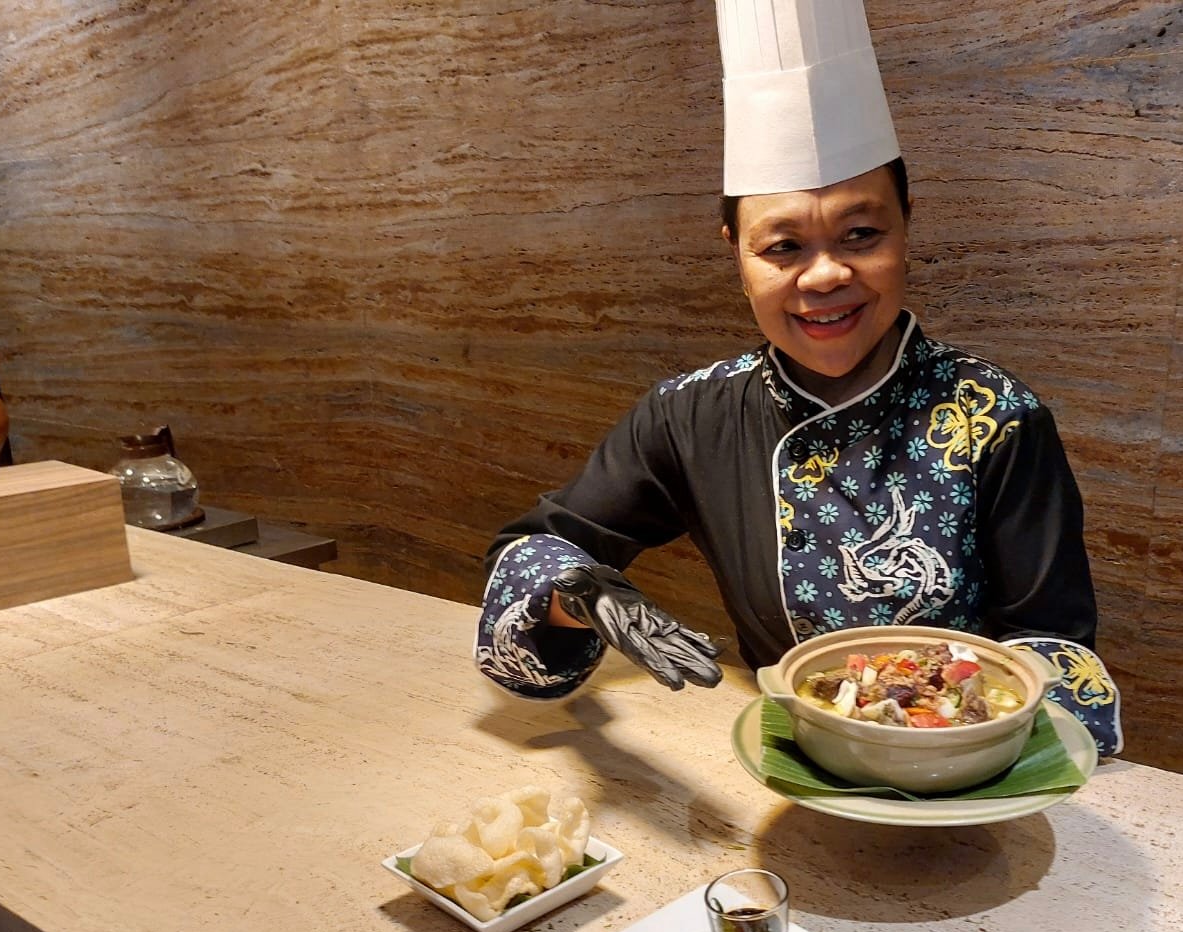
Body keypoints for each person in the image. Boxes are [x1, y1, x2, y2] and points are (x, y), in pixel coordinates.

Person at [474, 0, 1121, 755]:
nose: (824, 276)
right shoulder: (689, 416)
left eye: (860, 234)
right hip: (782, 765)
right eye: (782, 247)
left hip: (966, 776)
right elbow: (534, 550)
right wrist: (575, 597)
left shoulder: (998, 416)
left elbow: (1055, 649)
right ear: (735, 253)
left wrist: (974, 744)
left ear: (906, 225)